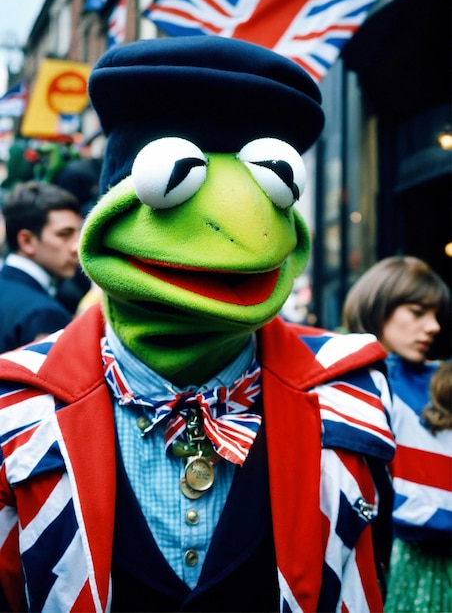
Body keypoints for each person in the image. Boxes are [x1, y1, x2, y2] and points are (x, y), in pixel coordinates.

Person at [0, 37, 395, 612]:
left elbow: (363, 573)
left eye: (273, 182)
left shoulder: (349, 392)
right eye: (174, 180)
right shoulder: (19, 403)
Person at [342, 255, 452, 613]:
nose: (434, 326)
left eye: (436, 314)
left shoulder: (438, 379)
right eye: (418, 312)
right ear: (379, 305)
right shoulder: (343, 382)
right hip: (381, 556)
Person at [0, 180, 81, 353]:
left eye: (78, 232)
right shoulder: (43, 313)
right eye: (64, 235)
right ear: (27, 241)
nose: (76, 246)